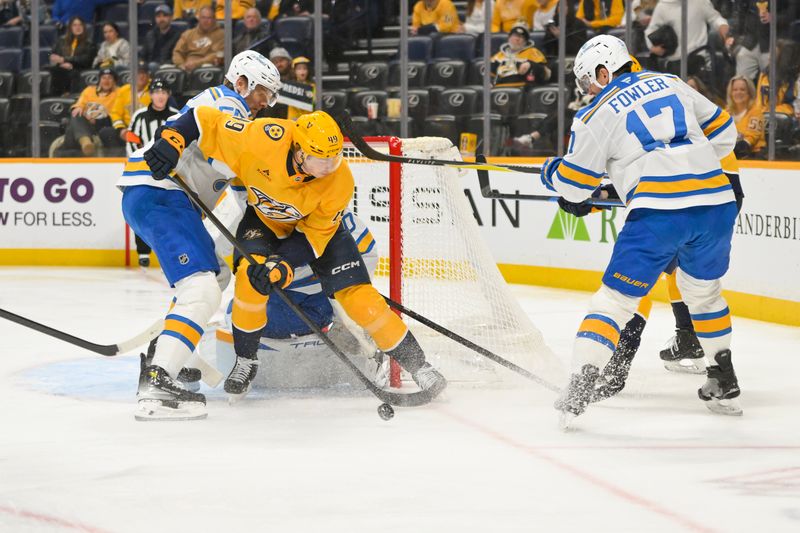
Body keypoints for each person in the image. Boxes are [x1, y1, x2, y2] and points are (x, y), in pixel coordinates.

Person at [141, 108, 448, 404]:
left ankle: (420, 366)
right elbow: (202, 118)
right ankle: (247, 361)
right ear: (298, 151)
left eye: (334, 158)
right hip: (263, 221)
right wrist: (172, 141)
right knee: (252, 280)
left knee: (361, 298)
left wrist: (282, 265)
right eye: (319, 160)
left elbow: (312, 240)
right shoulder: (261, 138)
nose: (328, 168)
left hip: (313, 235)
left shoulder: (338, 181)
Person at [540, 35, 741, 427]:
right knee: (704, 294)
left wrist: (552, 173)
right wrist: (683, 162)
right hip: (716, 203)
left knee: (613, 302)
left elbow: (575, 186)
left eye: (587, 82)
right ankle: (723, 377)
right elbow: (724, 133)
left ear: (604, 71)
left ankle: (582, 381)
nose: (586, 91)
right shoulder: (671, 82)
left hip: (659, 212)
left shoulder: (594, 114)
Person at [117, 51, 283, 421]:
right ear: (241, 82)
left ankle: (172, 354)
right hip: (160, 191)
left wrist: (258, 245)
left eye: (271, 96)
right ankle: (158, 382)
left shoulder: (240, 125)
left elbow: (243, 199)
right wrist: (172, 142)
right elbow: (193, 121)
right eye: (263, 92)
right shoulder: (227, 102)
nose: (265, 103)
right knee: (202, 290)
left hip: (163, 199)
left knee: (217, 276)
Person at [214, 208, 384, 398]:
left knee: (237, 312)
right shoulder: (253, 224)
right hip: (295, 302)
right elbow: (219, 260)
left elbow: (363, 262)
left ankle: (365, 340)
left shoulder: (333, 219)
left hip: (319, 301)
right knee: (246, 305)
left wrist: (345, 312)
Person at [645, 0, 731, 81]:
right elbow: (650, 30)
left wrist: (723, 28)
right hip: (673, 61)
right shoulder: (663, 6)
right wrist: (653, 47)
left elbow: (715, 18)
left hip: (698, 57)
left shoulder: (699, 1)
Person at [58, 67, 118, 156]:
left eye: (109, 78)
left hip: (103, 126)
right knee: (76, 113)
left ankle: (67, 152)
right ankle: (85, 141)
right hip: (86, 124)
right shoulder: (90, 90)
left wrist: (96, 120)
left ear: (114, 81)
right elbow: (79, 105)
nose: (106, 81)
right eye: (104, 78)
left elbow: (116, 115)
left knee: (71, 130)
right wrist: (82, 111)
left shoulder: (119, 93)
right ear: (99, 79)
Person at [99, 61, 152, 156]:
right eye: (138, 73)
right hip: (127, 130)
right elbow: (115, 113)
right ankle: (119, 158)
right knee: (106, 132)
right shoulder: (124, 91)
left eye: (144, 73)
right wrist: (121, 129)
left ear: (148, 76)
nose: (141, 76)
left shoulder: (154, 91)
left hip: (146, 130)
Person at [48, 16, 95, 96]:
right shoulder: (61, 41)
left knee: (68, 73)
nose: (78, 27)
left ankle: (64, 95)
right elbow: (51, 55)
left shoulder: (89, 43)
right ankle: (52, 97)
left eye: (80, 25)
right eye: (74, 25)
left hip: (79, 68)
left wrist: (66, 61)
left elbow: (86, 60)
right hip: (61, 67)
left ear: (83, 27)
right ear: (70, 28)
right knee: (49, 70)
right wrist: (61, 63)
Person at [172, 5, 224, 72]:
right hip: (186, 67)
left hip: (207, 68)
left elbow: (217, 54)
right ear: (198, 18)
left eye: (209, 18)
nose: (206, 21)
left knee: (207, 68)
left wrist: (196, 64)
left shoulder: (221, 34)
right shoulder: (188, 34)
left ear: (214, 19)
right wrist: (181, 64)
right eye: (203, 18)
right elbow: (177, 52)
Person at [726, 75, 766, 158]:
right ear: (731, 93)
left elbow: (750, 140)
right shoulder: (725, 113)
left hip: (752, 156)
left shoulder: (756, 112)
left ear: (749, 93)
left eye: (742, 90)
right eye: (735, 90)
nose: (738, 92)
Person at [142, 4, 182, 73]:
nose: (161, 19)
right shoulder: (150, 35)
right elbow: (143, 55)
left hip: (169, 67)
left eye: (165, 16)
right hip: (150, 66)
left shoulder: (178, 35)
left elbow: (178, 56)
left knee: (152, 65)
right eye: (158, 16)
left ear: (171, 17)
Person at [50, 0, 124, 28]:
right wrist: (57, 21)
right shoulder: (60, 0)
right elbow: (55, 14)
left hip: (84, 28)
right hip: (66, 27)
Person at [286, 56, 314, 121]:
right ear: (294, 71)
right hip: (293, 119)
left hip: (309, 119)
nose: (302, 72)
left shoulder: (313, 86)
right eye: (299, 69)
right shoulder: (289, 85)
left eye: (305, 68)